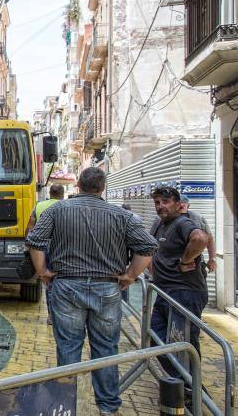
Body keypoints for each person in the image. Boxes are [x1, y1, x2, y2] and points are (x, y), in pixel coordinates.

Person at [27, 167, 157, 416]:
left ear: (78, 185)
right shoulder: (122, 216)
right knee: (106, 348)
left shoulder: (56, 210)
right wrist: (130, 275)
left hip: (67, 286)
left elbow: (35, 241)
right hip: (107, 288)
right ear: (103, 187)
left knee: (68, 347)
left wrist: (42, 271)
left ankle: (66, 404)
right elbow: (148, 247)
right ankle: (107, 406)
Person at [149, 187, 209, 400]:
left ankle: (194, 394)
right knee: (156, 339)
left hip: (184, 293)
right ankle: (189, 386)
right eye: (157, 202)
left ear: (177, 204)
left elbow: (201, 238)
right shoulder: (160, 224)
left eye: (165, 202)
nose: (161, 206)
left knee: (182, 345)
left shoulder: (183, 223)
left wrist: (185, 261)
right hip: (165, 292)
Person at [26, 184, 65, 325]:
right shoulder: (67, 206)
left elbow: (30, 227)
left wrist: (28, 246)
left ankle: (51, 316)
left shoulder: (39, 206)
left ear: (50, 193)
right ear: (62, 194)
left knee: (48, 280)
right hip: (62, 246)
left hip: (42, 247)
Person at [179, 194, 216, 274]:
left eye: (182, 206)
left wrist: (212, 259)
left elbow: (209, 239)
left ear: (188, 206)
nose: (180, 209)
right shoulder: (163, 219)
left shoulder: (197, 217)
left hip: (196, 263)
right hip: (172, 263)